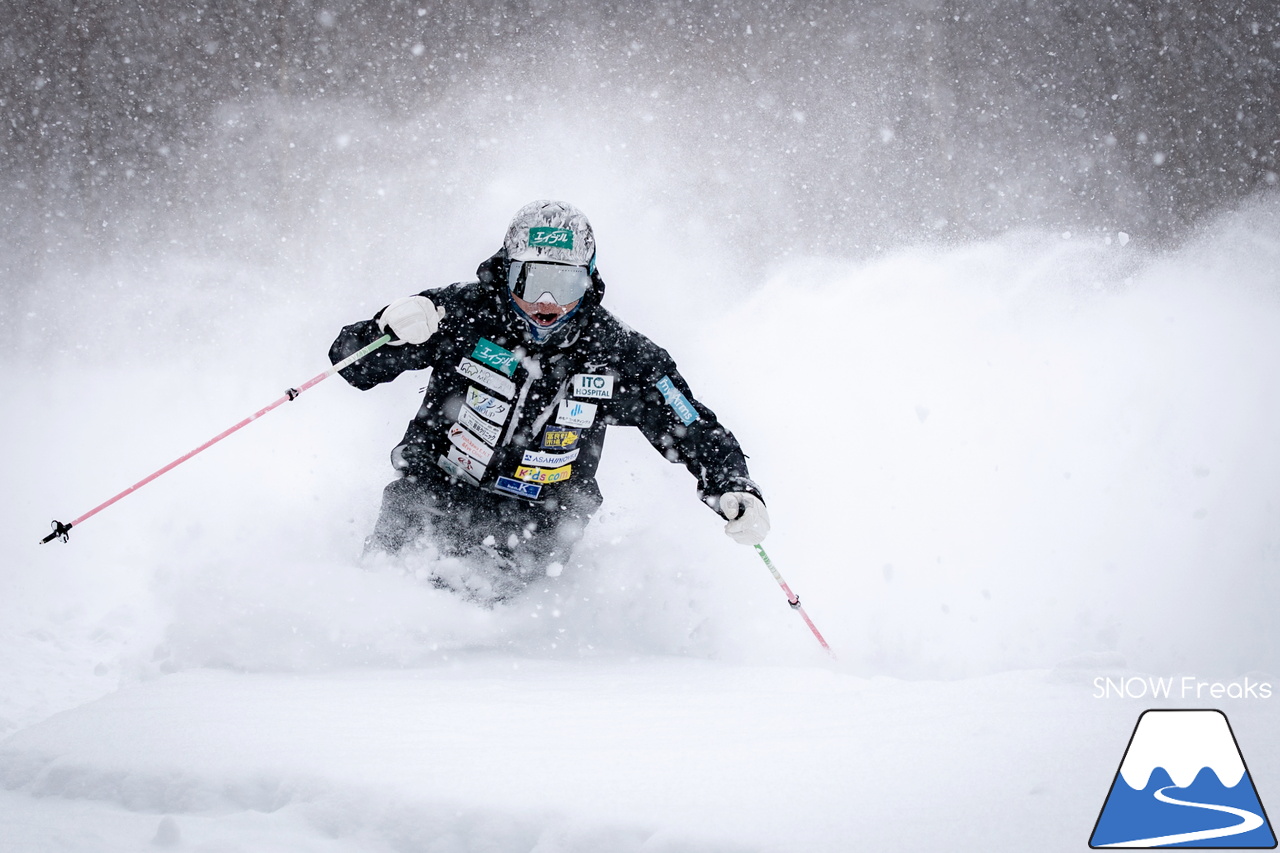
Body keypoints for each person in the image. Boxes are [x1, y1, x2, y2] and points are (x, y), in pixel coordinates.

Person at [329, 200, 769, 601]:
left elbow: (691, 426)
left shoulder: (619, 353)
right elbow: (353, 365)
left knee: (484, 623)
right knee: (384, 597)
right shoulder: (459, 314)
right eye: (534, 280)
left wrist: (732, 484)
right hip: (433, 488)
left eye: (566, 285)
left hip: (539, 518)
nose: (547, 303)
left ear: (589, 282)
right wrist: (385, 331)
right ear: (507, 271)